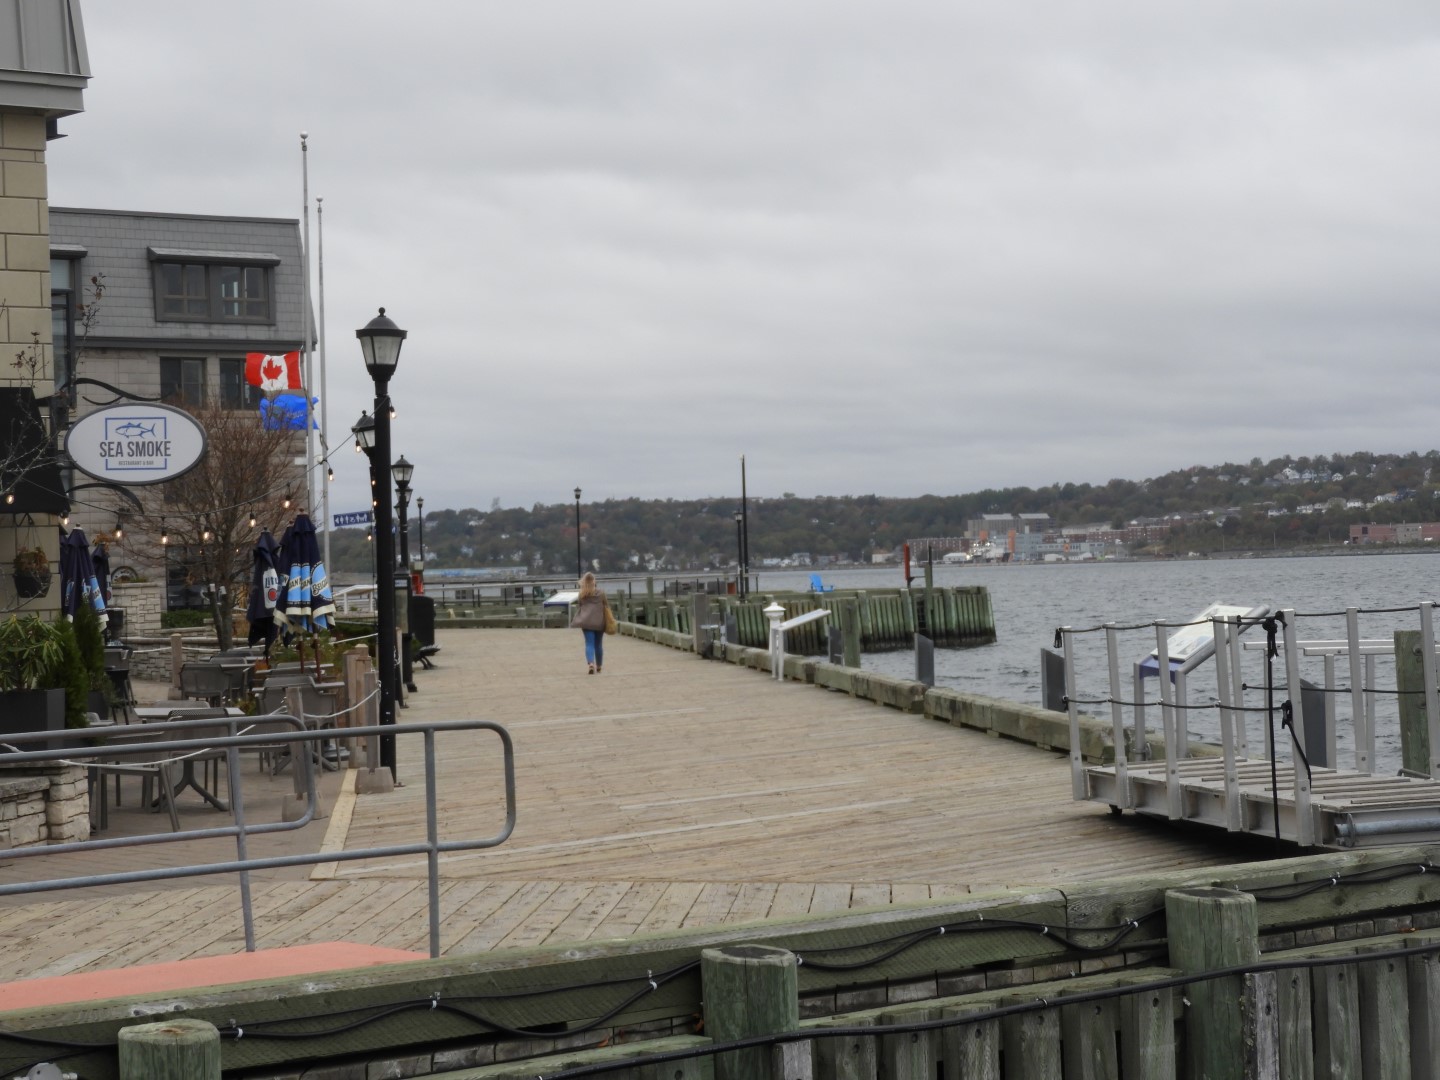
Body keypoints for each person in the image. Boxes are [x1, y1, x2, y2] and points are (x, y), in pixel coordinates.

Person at [569, 571, 611, 674]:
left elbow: (580, 605)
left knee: (589, 643)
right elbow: (606, 604)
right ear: (594, 581)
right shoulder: (601, 593)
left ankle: (591, 663)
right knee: (598, 644)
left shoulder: (582, 594)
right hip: (599, 621)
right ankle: (599, 666)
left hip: (586, 622)